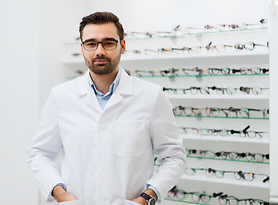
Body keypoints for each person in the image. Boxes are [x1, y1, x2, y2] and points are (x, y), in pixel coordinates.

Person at [27, 12, 186, 205]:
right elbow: (39, 153)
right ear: (82, 48)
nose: (99, 51)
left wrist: (147, 198)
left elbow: (174, 157)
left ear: (123, 46)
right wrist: (60, 194)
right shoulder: (61, 96)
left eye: (108, 43)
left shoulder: (151, 96)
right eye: (91, 43)